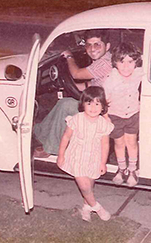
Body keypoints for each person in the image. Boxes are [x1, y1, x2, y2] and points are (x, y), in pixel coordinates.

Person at [34, 29, 112, 157]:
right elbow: (93, 84)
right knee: (64, 102)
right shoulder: (104, 59)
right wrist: (70, 86)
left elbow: (76, 74)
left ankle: (51, 148)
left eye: (97, 44)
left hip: (103, 110)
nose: (92, 49)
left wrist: (69, 56)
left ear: (107, 46)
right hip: (98, 99)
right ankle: (40, 132)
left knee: (66, 105)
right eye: (88, 45)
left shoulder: (104, 63)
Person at [57, 86, 114, 221]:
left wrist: (102, 162)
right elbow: (66, 137)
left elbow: (105, 144)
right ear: (82, 104)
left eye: (97, 104)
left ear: (103, 106)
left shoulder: (103, 124)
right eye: (89, 103)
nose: (93, 107)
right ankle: (97, 207)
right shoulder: (77, 119)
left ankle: (86, 206)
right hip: (77, 156)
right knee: (83, 185)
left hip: (94, 157)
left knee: (89, 184)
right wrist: (61, 155)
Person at [103, 42, 144, 187]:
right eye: (122, 62)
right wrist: (106, 118)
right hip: (115, 116)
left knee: (131, 142)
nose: (126, 66)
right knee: (119, 143)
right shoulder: (110, 80)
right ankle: (121, 169)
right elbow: (104, 101)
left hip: (133, 114)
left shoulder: (138, 72)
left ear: (136, 62)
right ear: (115, 63)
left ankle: (132, 169)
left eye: (130, 62)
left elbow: (147, 60)